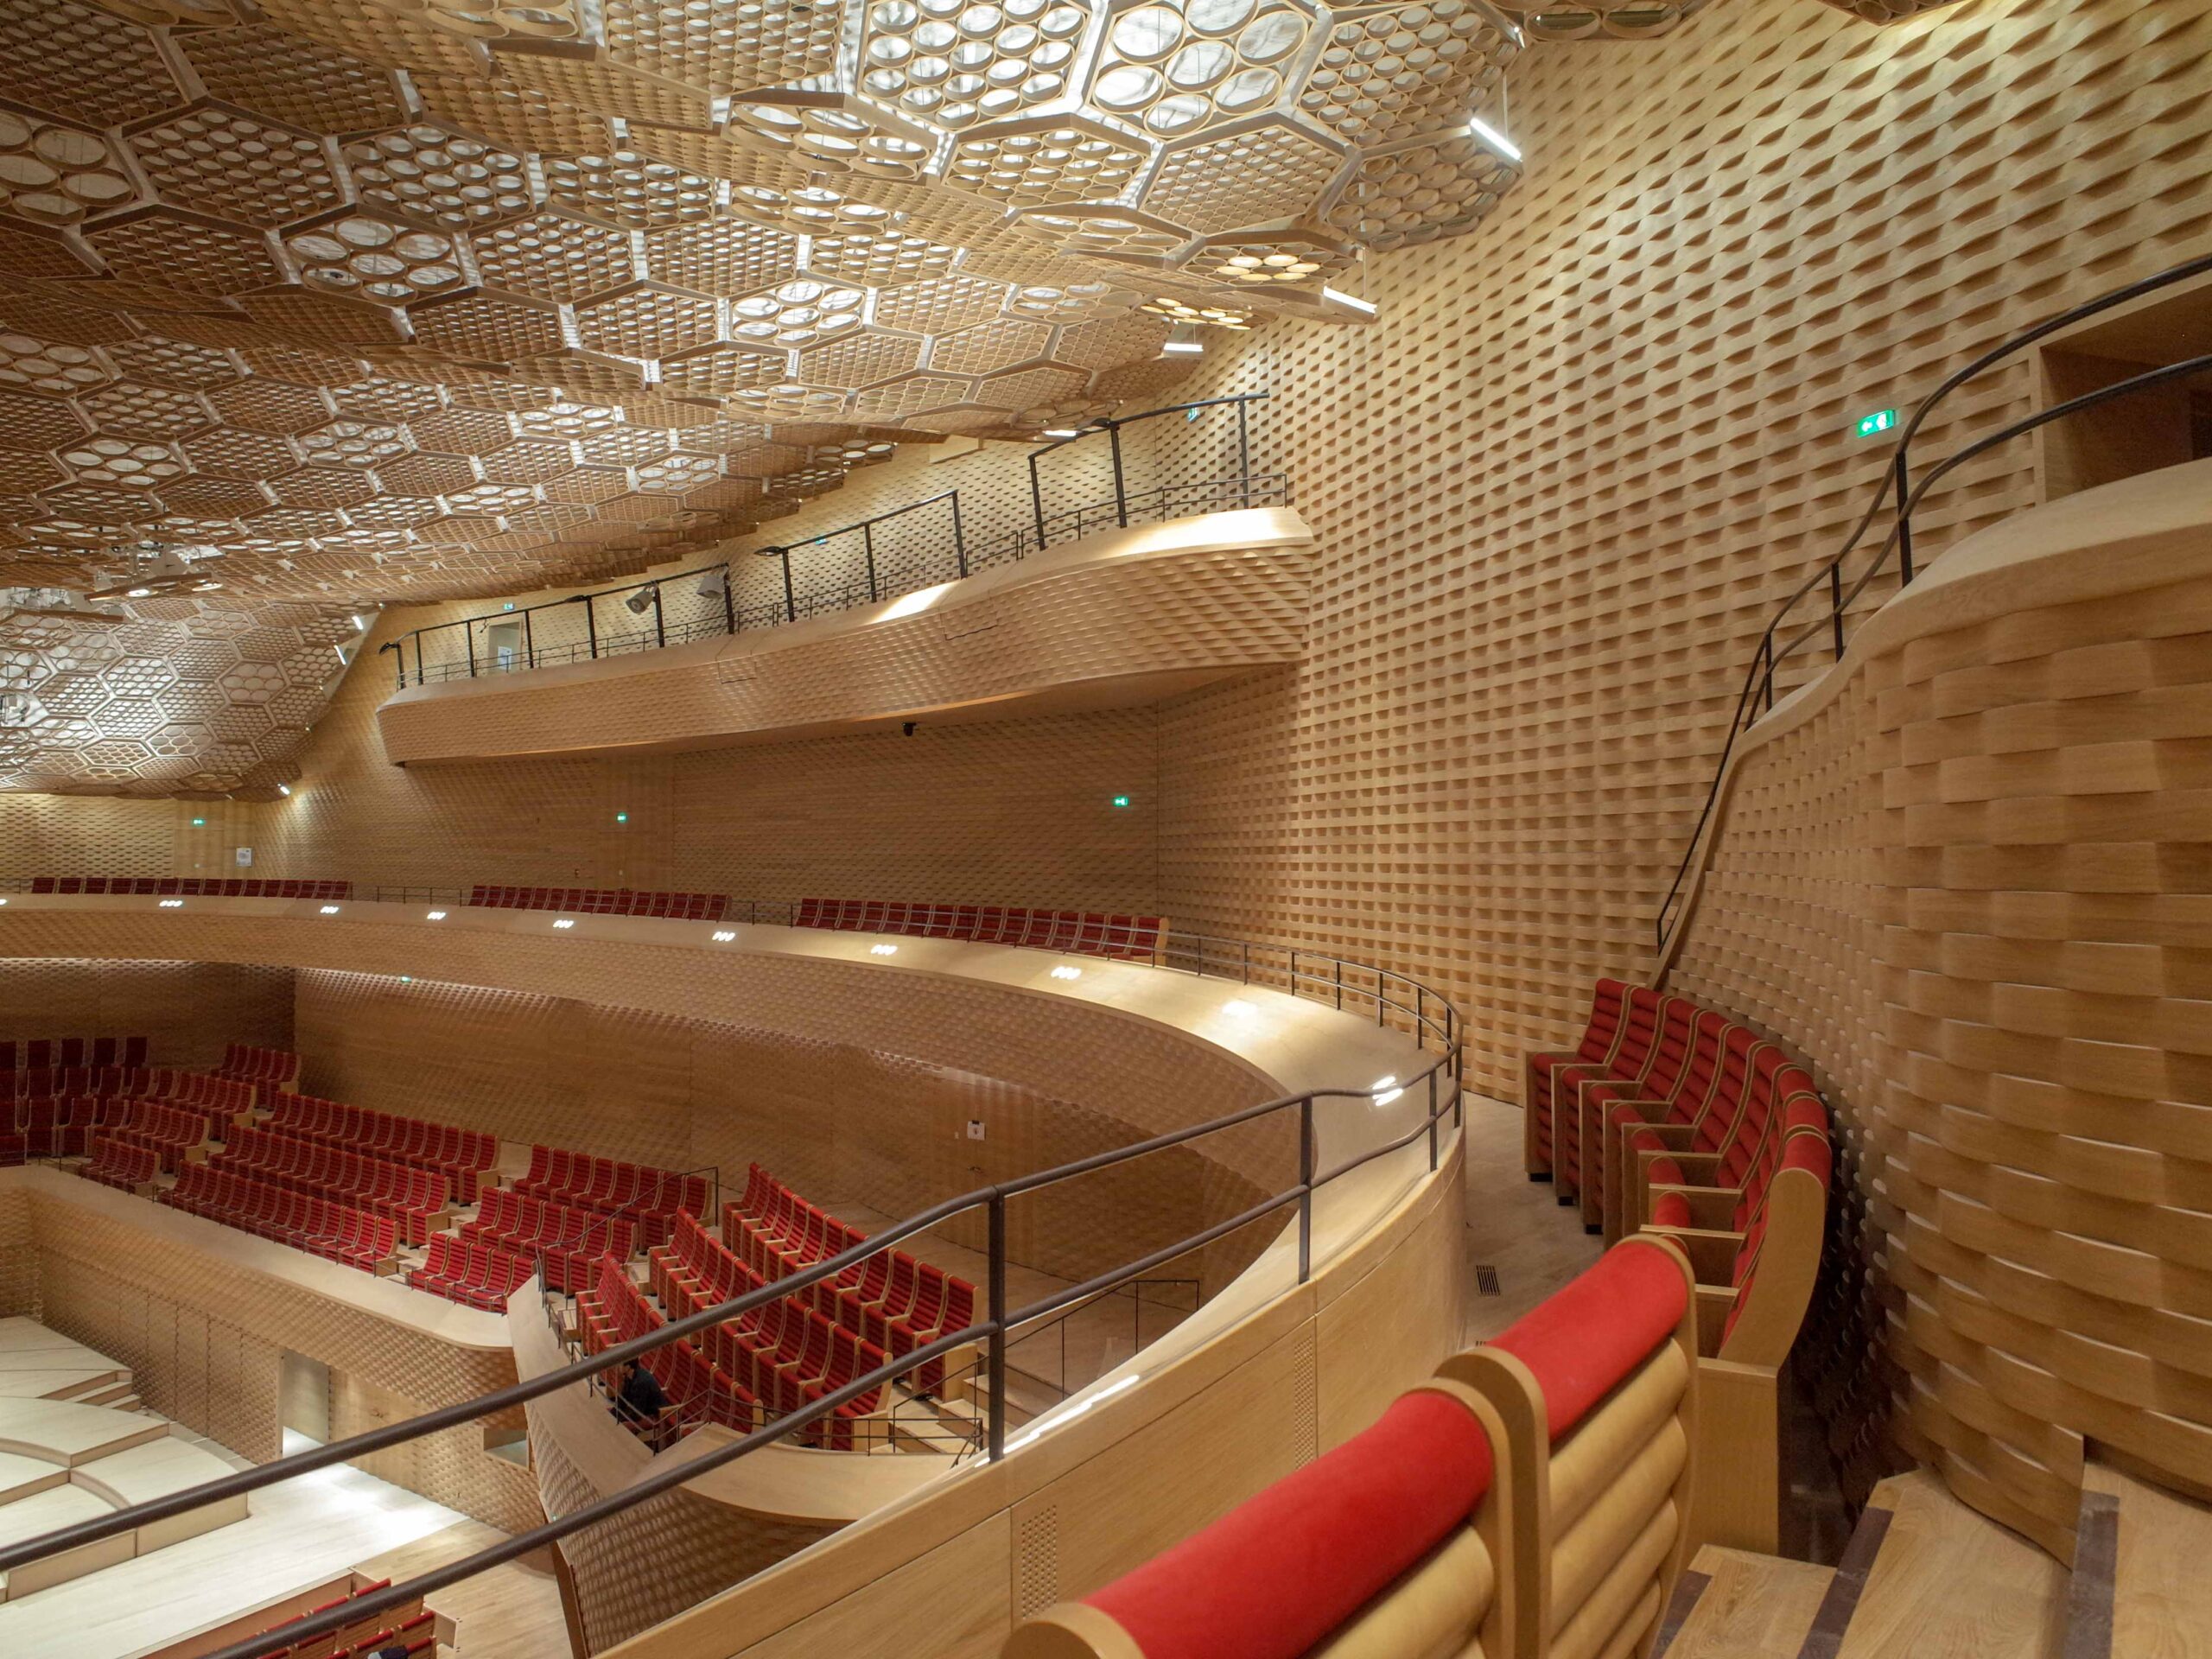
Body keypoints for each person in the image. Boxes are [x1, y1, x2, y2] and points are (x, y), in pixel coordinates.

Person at [610, 1357, 674, 1449]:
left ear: (628, 1367)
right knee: (609, 1415)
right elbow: (623, 1400)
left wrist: (619, 1418)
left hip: (652, 1415)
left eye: (620, 1364)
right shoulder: (629, 1377)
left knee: (620, 1426)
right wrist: (612, 1414)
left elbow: (637, 1414)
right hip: (639, 1410)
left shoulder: (641, 1382)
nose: (617, 1366)